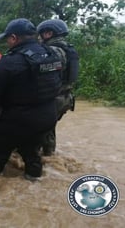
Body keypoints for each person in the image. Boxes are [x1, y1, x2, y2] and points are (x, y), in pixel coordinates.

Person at [0, 18, 62, 180]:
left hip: (17, 119)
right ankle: (33, 179)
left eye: (7, 39)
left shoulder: (9, 61)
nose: (7, 42)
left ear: (13, 38)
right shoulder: (51, 54)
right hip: (47, 116)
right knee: (32, 152)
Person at [36, 19, 80, 155]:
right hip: (65, 97)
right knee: (49, 129)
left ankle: (43, 161)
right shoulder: (68, 49)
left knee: (39, 131)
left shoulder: (53, 50)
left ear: (48, 33)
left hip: (53, 98)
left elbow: (45, 76)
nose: (39, 37)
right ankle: (51, 160)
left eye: (41, 34)